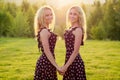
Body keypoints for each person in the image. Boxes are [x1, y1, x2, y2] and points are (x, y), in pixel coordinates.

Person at [59, 6, 87, 80]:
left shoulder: (78, 30)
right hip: (68, 60)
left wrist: (65, 67)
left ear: (79, 16)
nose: (72, 16)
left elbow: (75, 51)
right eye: (70, 13)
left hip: (75, 63)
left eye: (75, 14)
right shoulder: (70, 28)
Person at [34, 5, 59, 80]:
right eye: (47, 15)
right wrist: (57, 66)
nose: (50, 17)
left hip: (49, 62)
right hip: (45, 63)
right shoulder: (44, 31)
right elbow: (47, 51)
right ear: (42, 17)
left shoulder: (47, 29)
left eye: (51, 14)